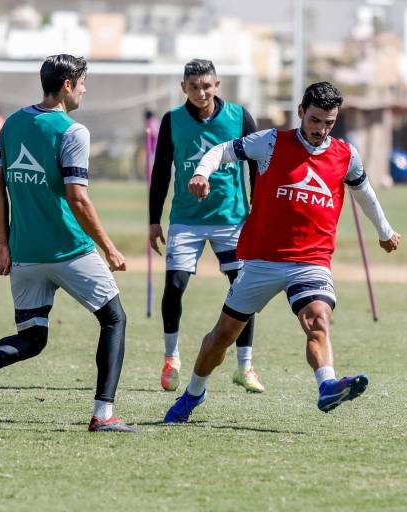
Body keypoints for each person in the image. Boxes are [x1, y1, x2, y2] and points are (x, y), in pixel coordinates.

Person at [163, 81, 400, 423]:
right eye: (314, 120)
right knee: (222, 337)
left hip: (311, 261)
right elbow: (221, 151)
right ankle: (193, 393)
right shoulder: (271, 142)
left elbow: (364, 193)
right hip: (262, 261)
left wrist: (385, 231)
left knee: (317, 319)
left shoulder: (345, 155)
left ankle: (327, 385)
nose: (320, 130)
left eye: (329, 123)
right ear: (301, 112)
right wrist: (201, 173)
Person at [0, 54, 135, 432]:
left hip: (24, 253)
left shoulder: (12, 123)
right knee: (114, 318)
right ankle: (103, 414)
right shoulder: (73, 132)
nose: (85, 90)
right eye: (83, 83)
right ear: (67, 85)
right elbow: (78, 199)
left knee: (33, 337)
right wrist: (109, 247)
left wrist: (3, 242)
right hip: (70, 250)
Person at [148, 59, 264, 393]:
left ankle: (245, 365)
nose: (201, 92)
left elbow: (258, 166)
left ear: (217, 85)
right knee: (175, 286)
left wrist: (257, 209)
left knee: (243, 290)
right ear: (183, 87)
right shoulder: (172, 121)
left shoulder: (239, 117)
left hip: (232, 219)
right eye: (194, 86)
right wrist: (153, 220)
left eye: (206, 86)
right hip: (187, 220)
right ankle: (171, 358)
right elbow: (161, 172)